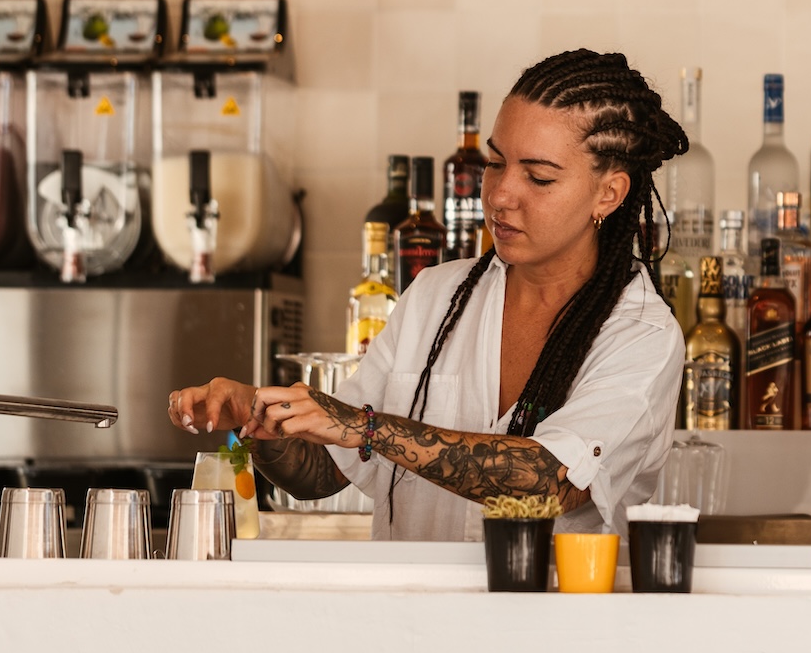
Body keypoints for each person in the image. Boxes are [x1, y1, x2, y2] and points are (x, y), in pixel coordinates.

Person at [168, 49, 687, 540]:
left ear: (609, 193)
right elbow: (323, 471)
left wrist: (367, 429)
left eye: (539, 177)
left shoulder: (640, 332)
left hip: (550, 628)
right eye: (495, 163)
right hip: (409, 622)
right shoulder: (436, 297)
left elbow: (549, 480)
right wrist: (261, 420)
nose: (502, 194)